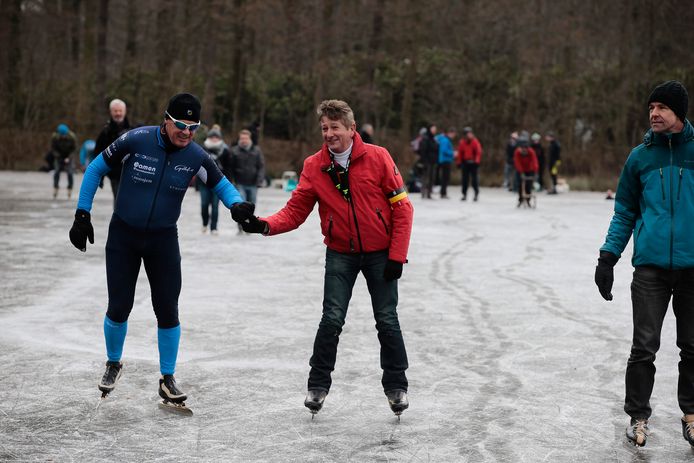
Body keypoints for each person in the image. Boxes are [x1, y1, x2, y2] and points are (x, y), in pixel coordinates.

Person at [69, 93, 251, 407]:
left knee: (167, 309)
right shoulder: (136, 140)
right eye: (181, 125)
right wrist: (82, 214)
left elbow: (221, 184)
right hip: (124, 235)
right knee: (119, 305)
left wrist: (236, 206)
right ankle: (114, 362)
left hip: (163, 239)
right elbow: (95, 168)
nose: (187, 132)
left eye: (194, 127)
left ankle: (167, 379)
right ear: (166, 119)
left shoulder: (195, 155)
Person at [234, 99, 413, 417]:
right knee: (331, 319)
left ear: (351, 129)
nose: (329, 134)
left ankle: (396, 386)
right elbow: (295, 211)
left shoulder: (378, 158)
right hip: (340, 253)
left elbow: (402, 208)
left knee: (387, 320)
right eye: (325, 128)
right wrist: (262, 225)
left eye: (335, 128)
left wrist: (397, 256)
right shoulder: (315, 166)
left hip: (379, 254)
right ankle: (317, 385)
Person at [595, 80, 694, 448]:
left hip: (692, 267)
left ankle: (692, 414)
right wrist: (608, 257)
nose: (654, 114)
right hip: (650, 268)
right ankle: (638, 417)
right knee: (644, 347)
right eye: (651, 107)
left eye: (662, 108)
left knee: (693, 347)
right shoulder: (639, 158)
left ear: (678, 113)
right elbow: (624, 212)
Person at [221, 129, 265, 233]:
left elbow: (261, 166)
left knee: (252, 205)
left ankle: (250, 224)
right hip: (239, 183)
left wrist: (259, 180)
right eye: (242, 138)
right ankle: (241, 225)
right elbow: (230, 168)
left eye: (245, 138)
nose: (244, 140)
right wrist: (231, 181)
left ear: (249, 139)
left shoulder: (257, 150)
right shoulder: (234, 151)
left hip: (253, 183)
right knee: (241, 205)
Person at [94, 99, 132, 202]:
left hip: (133, 172)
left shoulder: (133, 129)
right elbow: (98, 153)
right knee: (119, 200)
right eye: (115, 111)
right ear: (111, 112)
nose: (118, 113)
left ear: (125, 111)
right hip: (115, 174)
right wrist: (99, 176)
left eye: (120, 110)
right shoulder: (105, 132)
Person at [199, 127, 230, 235]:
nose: (214, 139)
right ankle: (204, 223)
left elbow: (228, 167)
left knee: (215, 206)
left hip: (218, 183)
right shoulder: (202, 149)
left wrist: (228, 182)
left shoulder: (225, 150)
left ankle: (214, 227)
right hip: (204, 183)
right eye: (212, 137)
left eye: (216, 137)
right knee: (204, 205)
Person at [50, 123, 77, 199]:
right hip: (58, 156)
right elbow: (53, 149)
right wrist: (58, 156)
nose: (63, 136)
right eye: (62, 134)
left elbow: (74, 149)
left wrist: (69, 157)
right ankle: (55, 188)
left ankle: (70, 189)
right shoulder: (55, 137)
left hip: (69, 156)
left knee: (70, 172)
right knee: (57, 171)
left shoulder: (72, 137)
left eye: (64, 134)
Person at [457, 126, 483, 201]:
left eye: (470, 133)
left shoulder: (475, 141)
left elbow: (478, 152)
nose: (470, 135)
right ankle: (464, 194)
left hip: (473, 163)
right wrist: (459, 162)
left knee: (474, 180)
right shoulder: (462, 142)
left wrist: (477, 161)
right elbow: (460, 153)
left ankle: (476, 194)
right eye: (468, 134)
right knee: (464, 180)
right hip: (465, 163)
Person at [513, 133, 538, 207]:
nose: (523, 150)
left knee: (528, 186)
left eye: (525, 148)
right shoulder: (517, 152)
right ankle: (520, 199)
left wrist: (534, 172)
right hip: (520, 170)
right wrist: (521, 172)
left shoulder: (531, 152)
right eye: (522, 148)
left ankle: (528, 200)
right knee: (520, 185)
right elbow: (517, 163)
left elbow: (534, 162)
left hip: (529, 170)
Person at [418, 124, 438, 199]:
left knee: (431, 178)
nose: (434, 130)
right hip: (427, 161)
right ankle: (423, 193)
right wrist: (424, 161)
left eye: (435, 129)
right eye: (433, 129)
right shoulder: (426, 138)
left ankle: (429, 193)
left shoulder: (434, 139)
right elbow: (423, 151)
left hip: (433, 161)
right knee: (425, 177)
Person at [435, 127, 456, 199]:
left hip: (445, 160)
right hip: (445, 161)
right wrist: (453, 153)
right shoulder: (445, 140)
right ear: (450, 133)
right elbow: (444, 150)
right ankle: (443, 193)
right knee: (445, 177)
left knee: (445, 177)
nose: (454, 136)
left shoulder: (445, 139)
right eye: (453, 134)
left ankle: (443, 192)